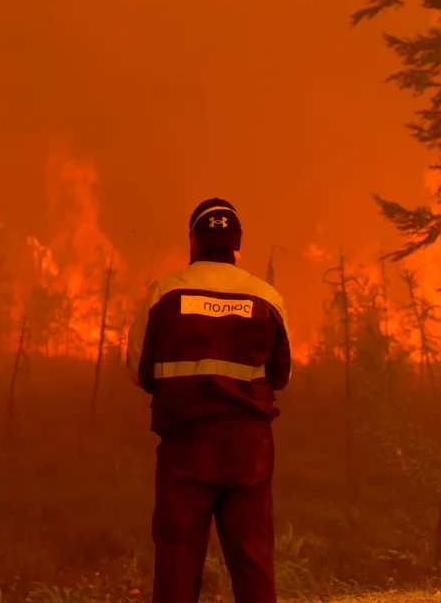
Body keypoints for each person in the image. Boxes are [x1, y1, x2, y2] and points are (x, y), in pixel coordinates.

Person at [125, 197, 292, 603]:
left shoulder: (164, 292)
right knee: (252, 561)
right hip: (248, 449)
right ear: (236, 243)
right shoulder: (266, 297)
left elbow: (139, 370)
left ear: (193, 241)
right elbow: (280, 375)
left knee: (177, 561)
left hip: (186, 446)